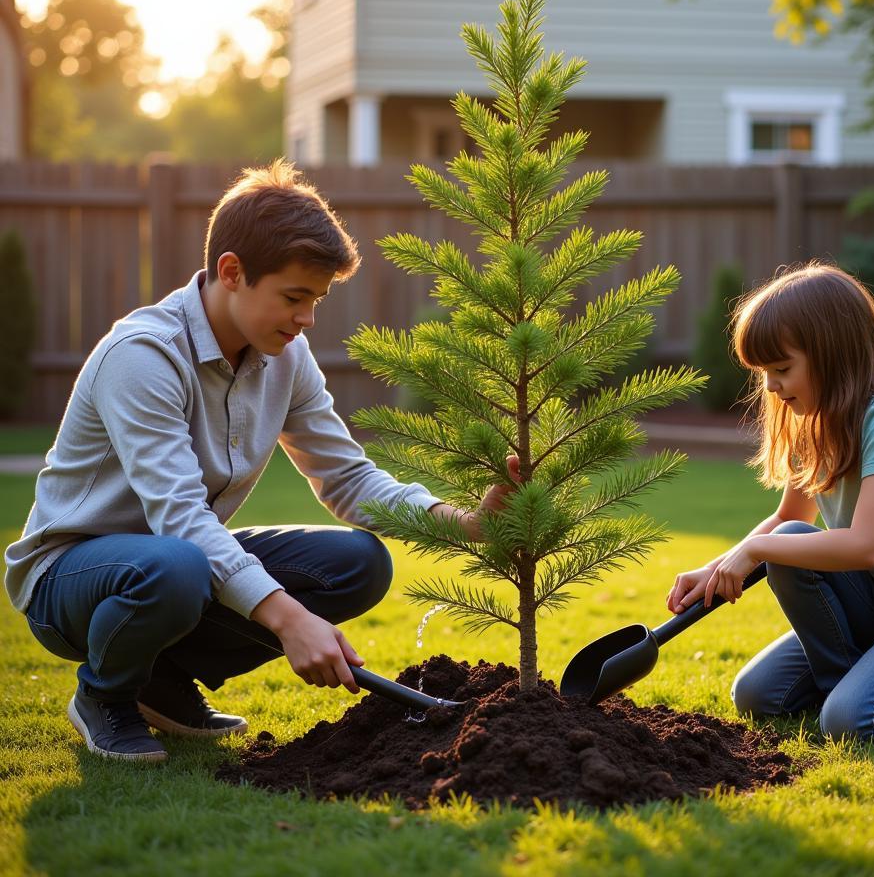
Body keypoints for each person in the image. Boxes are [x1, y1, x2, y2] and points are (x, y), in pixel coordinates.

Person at [5, 160, 517, 764]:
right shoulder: (142, 357)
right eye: (294, 297)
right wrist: (290, 619)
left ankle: (161, 681)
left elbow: (348, 477)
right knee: (178, 565)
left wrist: (465, 524)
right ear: (232, 272)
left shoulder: (286, 357)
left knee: (357, 564)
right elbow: (180, 518)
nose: (306, 320)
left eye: (317, 300)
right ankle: (105, 696)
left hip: (180, 563)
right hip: (70, 578)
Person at [666, 262, 874, 740]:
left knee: (852, 721)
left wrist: (757, 552)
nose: (770, 387)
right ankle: (858, 683)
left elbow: (865, 546)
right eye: (764, 372)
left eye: (782, 369)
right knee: (758, 695)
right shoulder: (817, 426)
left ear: (833, 355)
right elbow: (789, 518)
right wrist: (718, 566)